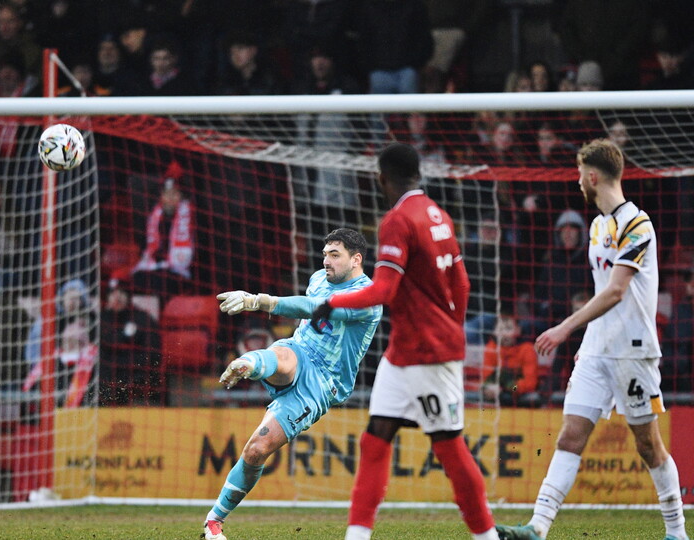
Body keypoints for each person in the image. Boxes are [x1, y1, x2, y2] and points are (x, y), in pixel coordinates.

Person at [496, 139, 689, 540]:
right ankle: (538, 527)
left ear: (593, 175)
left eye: (579, 173)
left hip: (632, 351)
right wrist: (583, 335)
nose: (576, 181)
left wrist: (565, 327)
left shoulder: (637, 223)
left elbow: (617, 290)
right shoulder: (598, 225)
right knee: (570, 434)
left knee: (648, 444)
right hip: (596, 350)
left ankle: (676, 531)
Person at [309, 144, 498, 540]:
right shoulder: (438, 214)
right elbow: (462, 283)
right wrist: (452, 328)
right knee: (375, 436)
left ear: (382, 177)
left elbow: (384, 289)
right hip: (406, 352)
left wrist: (332, 301)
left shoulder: (397, 220)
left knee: (448, 446)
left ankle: (487, 536)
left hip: (427, 353)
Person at [203, 228, 382, 540]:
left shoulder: (367, 299)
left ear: (356, 260)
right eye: (325, 254)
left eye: (334, 255)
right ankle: (249, 363)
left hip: (324, 382)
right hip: (298, 351)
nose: (326, 261)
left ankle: (217, 516)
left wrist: (257, 301)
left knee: (256, 450)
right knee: (283, 356)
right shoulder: (317, 277)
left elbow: (314, 308)